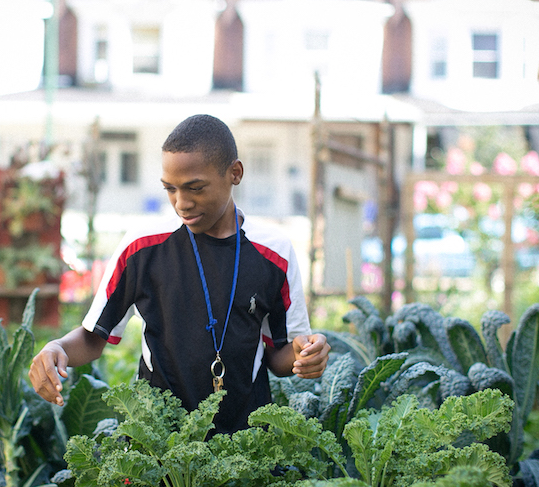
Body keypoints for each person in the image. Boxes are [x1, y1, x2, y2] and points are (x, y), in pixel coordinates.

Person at [28, 114, 329, 434]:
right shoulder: (142, 246)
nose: (181, 203)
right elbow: (93, 337)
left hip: (245, 441)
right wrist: (56, 348)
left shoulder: (274, 253)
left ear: (235, 173)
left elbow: (280, 354)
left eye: (195, 188)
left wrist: (303, 354)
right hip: (160, 443)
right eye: (170, 189)